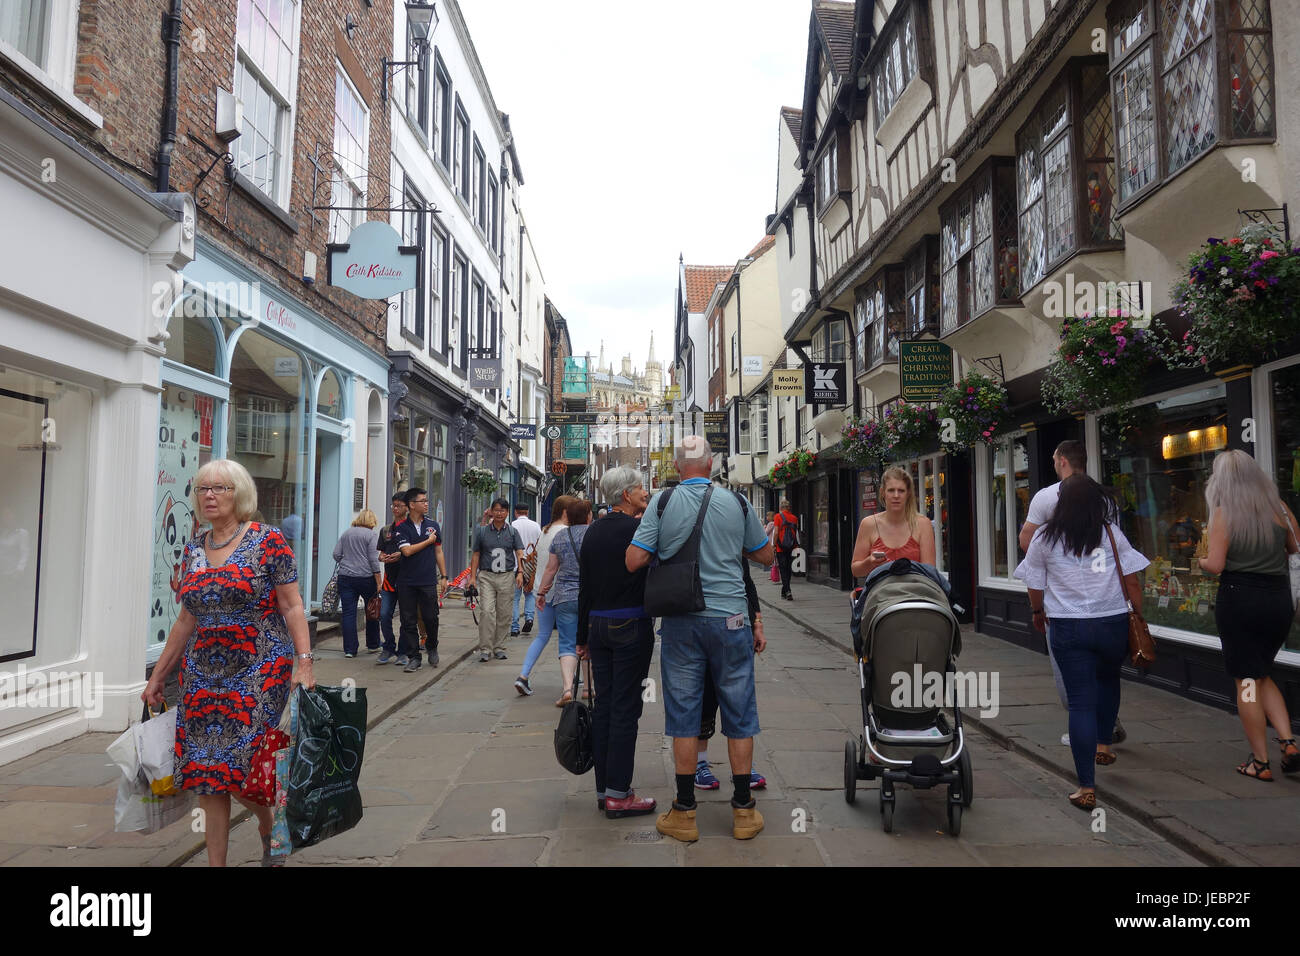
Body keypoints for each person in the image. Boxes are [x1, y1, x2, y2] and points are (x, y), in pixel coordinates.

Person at [143, 459, 312, 867]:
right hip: (202, 674)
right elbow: (186, 618)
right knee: (206, 773)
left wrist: (303, 662)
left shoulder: (268, 541)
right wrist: (158, 675)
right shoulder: (194, 548)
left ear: (240, 495)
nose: (210, 496)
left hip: (260, 669)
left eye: (220, 488)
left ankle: (269, 826)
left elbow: (291, 606)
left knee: (244, 766)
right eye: (203, 489)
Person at [627, 435, 773, 842]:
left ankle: (685, 813)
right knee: (739, 712)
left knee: (685, 715)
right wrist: (729, 548)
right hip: (731, 619)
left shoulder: (661, 502)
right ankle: (744, 812)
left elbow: (634, 559)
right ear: (710, 465)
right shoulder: (738, 502)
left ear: (676, 468)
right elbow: (766, 557)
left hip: (681, 622)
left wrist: (664, 550)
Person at [1014, 474, 1149, 811]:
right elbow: (1131, 581)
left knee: (1080, 703)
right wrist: (1139, 618)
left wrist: (1036, 610)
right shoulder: (1110, 533)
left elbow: (1034, 581)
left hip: (1068, 627)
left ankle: (1086, 786)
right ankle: (1104, 744)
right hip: (1112, 624)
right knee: (1109, 681)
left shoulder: (1045, 537)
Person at [1198, 449, 1300, 780]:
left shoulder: (1225, 514)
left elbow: (1214, 566)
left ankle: (1260, 761)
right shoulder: (1280, 511)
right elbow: (1295, 549)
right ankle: (1288, 743)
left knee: (1246, 682)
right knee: (1262, 671)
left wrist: (1198, 560)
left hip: (1240, 601)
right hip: (1278, 601)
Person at [1017, 440, 1127, 747]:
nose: (1053, 464)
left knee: (1067, 671)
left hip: (1063, 601)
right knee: (1106, 673)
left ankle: (1086, 731)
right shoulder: (1106, 499)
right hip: (1106, 599)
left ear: (1062, 461)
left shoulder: (1046, 496)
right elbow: (1115, 548)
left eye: (1054, 459)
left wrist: (1057, 564)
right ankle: (1104, 724)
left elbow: (1028, 542)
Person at [576, 467, 656, 818]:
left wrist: (582, 638)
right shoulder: (638, 530)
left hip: (598, 625)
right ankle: (619, 795)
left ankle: (603, 788)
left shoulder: (593, 531)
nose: (644, 491)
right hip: (630, 623)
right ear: (626, 494)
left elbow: (585, 589)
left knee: (605, 708)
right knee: (626, 710)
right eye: (639, 488)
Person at [696, 548, 769, 792]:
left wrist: (757, 624)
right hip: (699, 622)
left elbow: (746, 581)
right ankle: (699, 764)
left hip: (737, 623)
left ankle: (743, 770)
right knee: (704, 697)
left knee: (739, 699)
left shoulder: (735, 529)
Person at [514, 495, 577, 696]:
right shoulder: (566, 533)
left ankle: (523, 675)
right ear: (566, 512)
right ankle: (569, 684)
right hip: (562, 592)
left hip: (542, 591)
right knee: (569, 640)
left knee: (542, 636)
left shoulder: (545, 531)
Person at [536, 498, 591, 705]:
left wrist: (542, 593)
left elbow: (551, 569)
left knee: (567, 643)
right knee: (587, 641)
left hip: (564, 597)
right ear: (588, 516)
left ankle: (568, 689)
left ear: (568, 516)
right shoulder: (593, 534)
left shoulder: (559, 536)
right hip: (589, 598)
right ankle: (588, 688)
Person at [849, 466, 936, 578]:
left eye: (901, 491)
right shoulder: (869, 524)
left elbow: (930, 572)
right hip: (880, 591)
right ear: (882, 492)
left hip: (914, 591)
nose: (896, 496)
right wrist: (869, 562)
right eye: (891, 490)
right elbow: (856, 571)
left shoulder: (923, 524)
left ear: (908, 493)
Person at [394, 487, 447, 673]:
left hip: (427, 580)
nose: (426, 503)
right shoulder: (401, 528)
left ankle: (432, 646)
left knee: (431, 617)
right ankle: (414, 657)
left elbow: (438, 552)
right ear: (411, 505)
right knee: (408, 621)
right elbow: (406, 551)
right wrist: (427, 541)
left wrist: (444, 576)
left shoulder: (433, 525)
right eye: (422, 501)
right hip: (407, 582)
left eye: (426, 500)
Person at [470, 497, 525, 662]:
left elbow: (519, 552)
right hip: (486, 575)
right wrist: (472, 577)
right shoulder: (482, 531)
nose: (499, 513)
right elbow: (476, 554)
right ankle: (485, 648)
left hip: (507, 576)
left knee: (504, 613)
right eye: (496, 510)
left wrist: (520, 572)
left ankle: (499, 646)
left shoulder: (513, 532)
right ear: (491, 512)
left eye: (502, 510)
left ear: (508, 513)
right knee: (487, 611)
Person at [376, 493, 426, 665]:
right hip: (389, 580)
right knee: (384, 615)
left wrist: (401, 555)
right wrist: (382, 557)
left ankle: (403, 651)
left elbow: (418, 552)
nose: (395, 509)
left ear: (407, 507)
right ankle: (388, 647)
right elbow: (381, 552)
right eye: (393, 505)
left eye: (399, 505)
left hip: (407, 580)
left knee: (407, 618)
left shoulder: (413, 529)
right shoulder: (386, 530)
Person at [332, 509, 382, 658]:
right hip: (366, 578)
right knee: (372, 610)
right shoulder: (372, 535)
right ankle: (373, 645)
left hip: (345, 577)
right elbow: (374, 559)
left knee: (348, 613)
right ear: (371, 522)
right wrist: (379, 581)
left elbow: (336, 554)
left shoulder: (347, 533)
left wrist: (347, 562)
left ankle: (349, 649)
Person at [511, 503, 542, 637]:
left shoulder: (512, 525)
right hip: (530, 566)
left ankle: (514, 627)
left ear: (515, 512)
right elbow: (539, 544)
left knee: (515, 598)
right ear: (527, 512)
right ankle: (529, 618)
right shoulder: (535, 525)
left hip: (515, 566)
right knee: (529, 593)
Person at [772, 498, 799, 600]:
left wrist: (774, 545)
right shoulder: (794, 518)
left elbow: (776, 532)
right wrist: (796, 546)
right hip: (791, 546)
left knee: (783, 569)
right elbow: (796, 534)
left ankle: (788, 591)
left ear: (780, 508)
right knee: (788, 569)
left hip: (780, 547)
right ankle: (784, 591)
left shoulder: (778, 516)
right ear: (789, 508)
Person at [764, 511, 779, 583]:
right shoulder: (775, 524)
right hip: (774, 542)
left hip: (770, 543)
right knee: (774, 559)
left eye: (768, 516)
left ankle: (774, 575)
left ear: (771, 517)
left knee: (773, 559)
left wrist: (764, 527)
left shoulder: (770, 524)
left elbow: (765, 533)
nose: (766, 517)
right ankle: (774, 574)